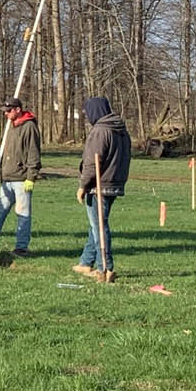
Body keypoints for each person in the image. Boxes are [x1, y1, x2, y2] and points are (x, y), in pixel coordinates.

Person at [73, 96, 131, 283]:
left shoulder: (100, 131)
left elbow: (92, 161)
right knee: (96, 223)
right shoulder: (121, 130)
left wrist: (83, 185)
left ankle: (105, 267)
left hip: (99, 185)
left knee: (99, 226)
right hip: (114, 183)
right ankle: (85, 261)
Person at [0, 97, 42, 258]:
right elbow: (1, 151)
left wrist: (31, 176)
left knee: (23, 213)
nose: (6, 114)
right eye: (5, 111)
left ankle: (21, 248)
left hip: (22, 179)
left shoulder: (29, 127)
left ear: (17, 110)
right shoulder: (9, 127)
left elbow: (34, 153)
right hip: (6, 178)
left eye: (9, 111)